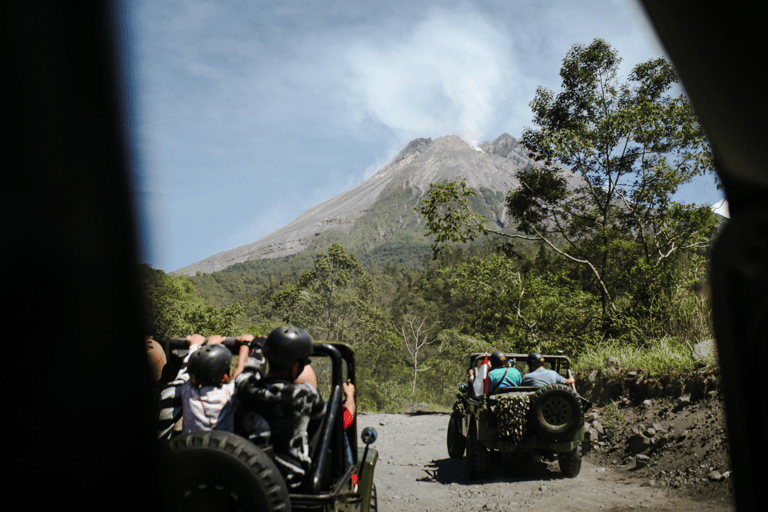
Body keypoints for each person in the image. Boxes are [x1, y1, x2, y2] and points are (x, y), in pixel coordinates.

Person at [236, 326, 325, 491]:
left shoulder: (245, 388)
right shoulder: (306, 395)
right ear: (295, 367)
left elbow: (249, 371)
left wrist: (257, 347)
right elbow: (319, 414)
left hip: (247, 479)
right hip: (290, 482)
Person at [156, 334, 250, 439]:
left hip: (191, 452)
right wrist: (245, 344)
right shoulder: (230, 394)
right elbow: (240, 373)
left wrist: (199, 346)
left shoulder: (188, 392)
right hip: (222, 452)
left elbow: (186, 372)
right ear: (224, 376)